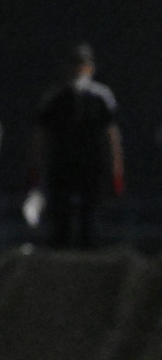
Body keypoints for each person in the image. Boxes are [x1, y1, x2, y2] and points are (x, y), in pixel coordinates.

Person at [30, 44, 124, 249]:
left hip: (92, 163)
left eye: (82, 65)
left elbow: (112, 135)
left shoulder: (101, 96)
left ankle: (87, 256)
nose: (78, 70)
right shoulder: (54, 97)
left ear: (91, 68)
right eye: (75, 65)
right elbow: (40, 135)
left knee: (89, 214)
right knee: (60, 214)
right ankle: (60, 257)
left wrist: (116, 168)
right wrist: (37, 166)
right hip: (61, 163)